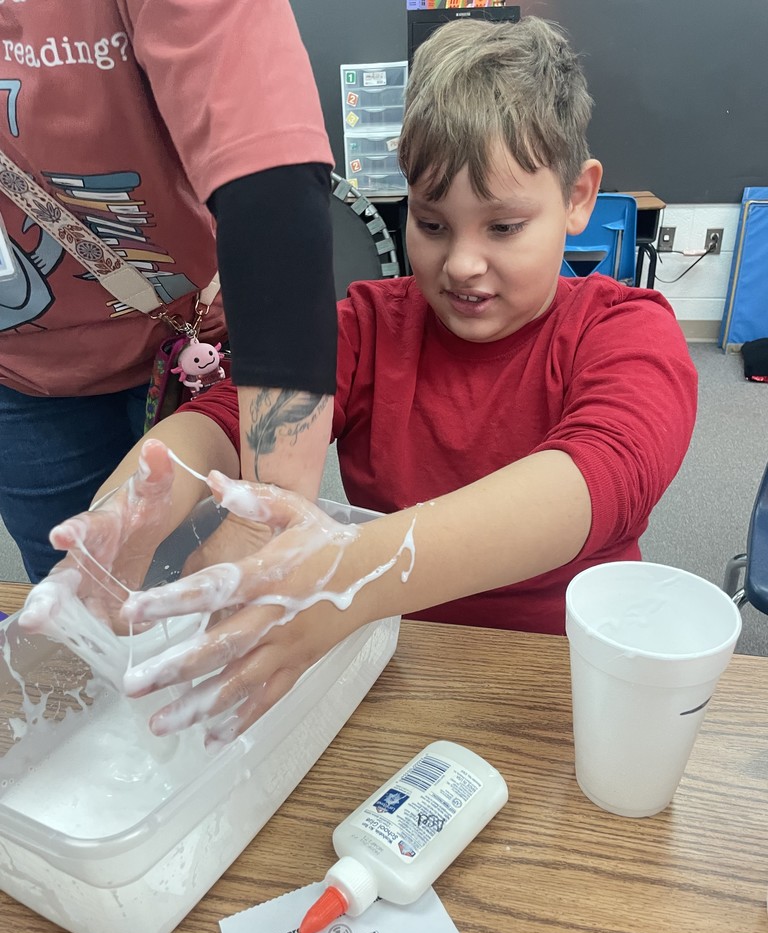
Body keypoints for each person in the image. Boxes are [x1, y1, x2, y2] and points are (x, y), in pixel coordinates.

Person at [21, 16, 698, 749]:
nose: (462, 263)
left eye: (502, 228)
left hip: (559, 686)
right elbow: (222, 418)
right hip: (389, 665)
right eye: (433, 225)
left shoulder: (630, 332)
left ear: (578, 197)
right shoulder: (370, 325)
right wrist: (135, 502)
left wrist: (343, 576)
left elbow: (595, 477)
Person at [0, 0, 337, 583]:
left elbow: (272, 184)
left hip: (192, 343)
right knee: (73, 598)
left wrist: (267, 518)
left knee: (211, 576)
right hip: (27, 378)